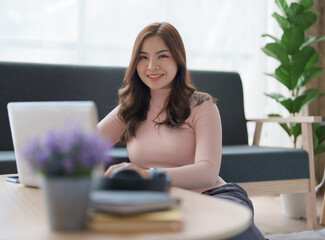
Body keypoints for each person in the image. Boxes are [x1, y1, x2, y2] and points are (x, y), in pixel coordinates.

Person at [97, 22, 266, 240]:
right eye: (143, 57)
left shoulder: (202, 106)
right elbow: (82, 147)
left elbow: (207, 172)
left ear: (178, 60)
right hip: (158, 203)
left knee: (229, 231)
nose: (151, 66)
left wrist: (147, 176)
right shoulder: (128, 109)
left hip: (212, 196)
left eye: (162, 56)